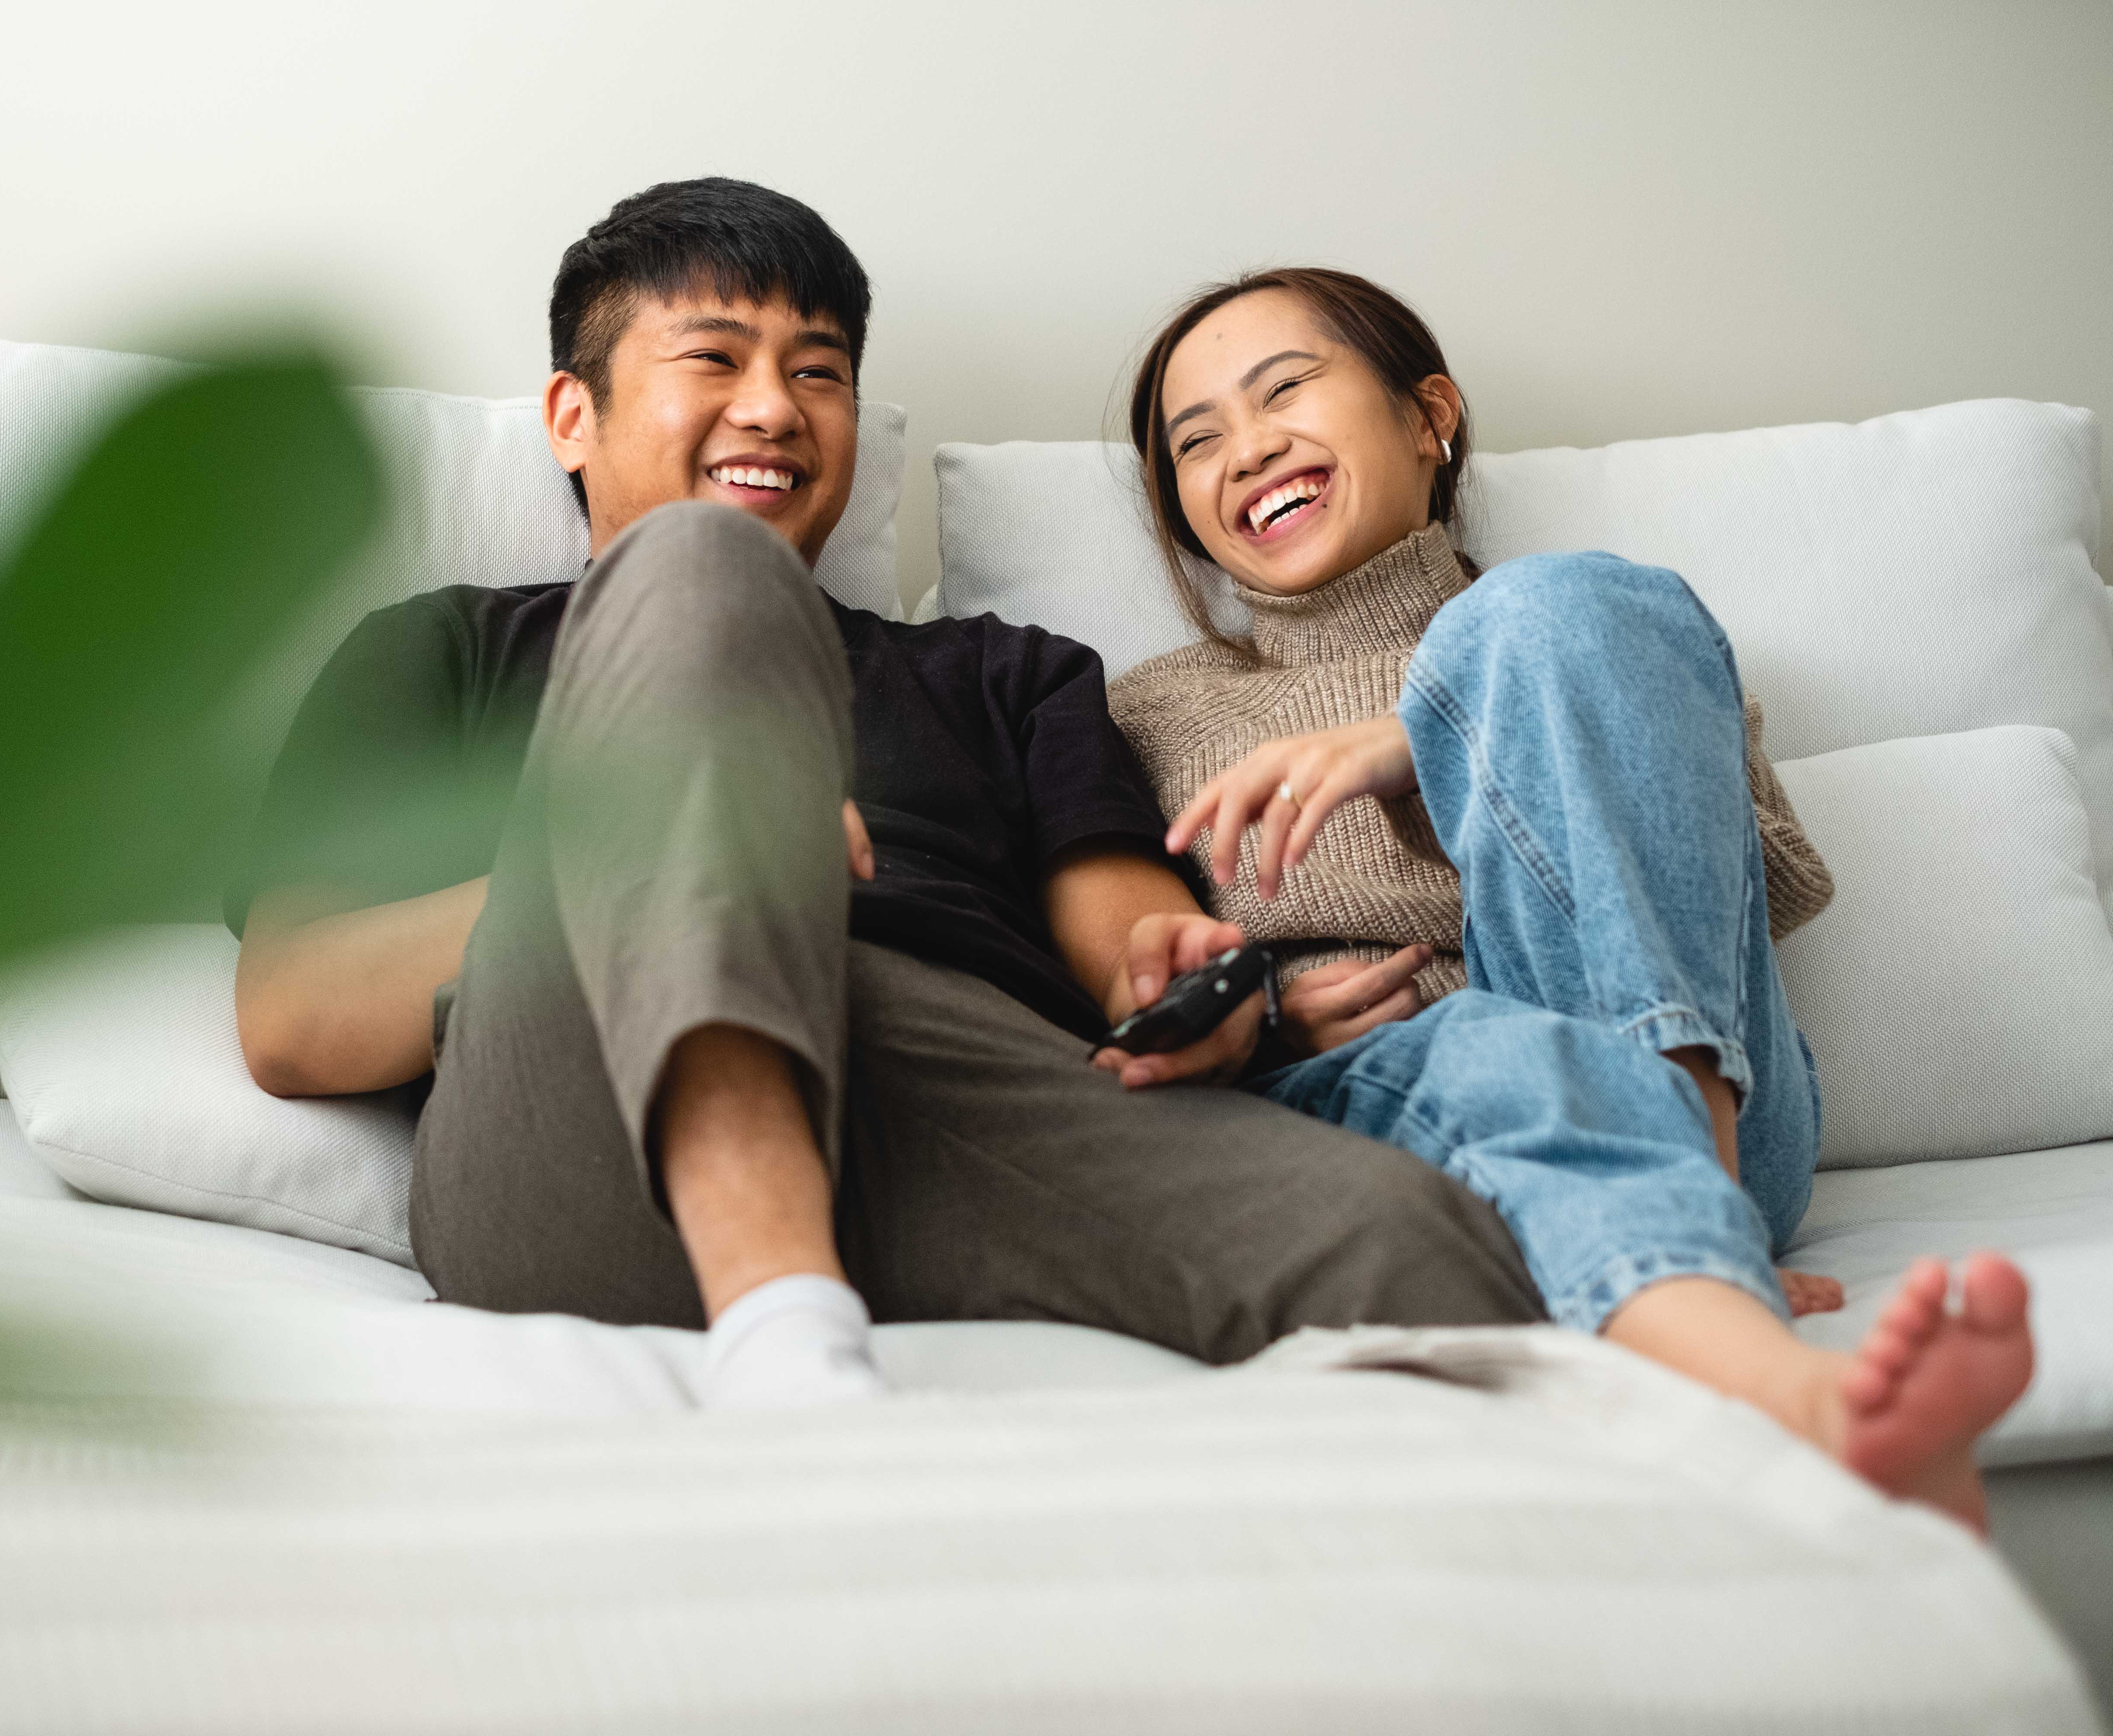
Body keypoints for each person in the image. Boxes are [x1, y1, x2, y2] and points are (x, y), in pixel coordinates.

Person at [230, 180, 1548, 1414]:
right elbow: (294, 1019)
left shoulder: (1005, 672)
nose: (774, 408)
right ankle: (785, 1327)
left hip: (960, 1096)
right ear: (573, 415)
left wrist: (1195, 989)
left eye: (820, 373)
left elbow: (1126, 937)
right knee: (700, 571)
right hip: (588, 1122)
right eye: (714, 358)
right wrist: (642, 844)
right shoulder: (445, 649)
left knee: (1414, 1241)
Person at [1105, 265, 2033, 1529]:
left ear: (1430, 418)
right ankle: (1767, 1360)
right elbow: (1131, 981)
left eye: (1284, 393)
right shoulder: (1154, 711)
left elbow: (1745, 878)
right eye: (1195, 442)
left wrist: (1420, 739)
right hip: (1398, 1120)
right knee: (1498, 1051)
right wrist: (1265, 1019)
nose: (1245, 449)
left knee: (1555, 606)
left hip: (1701, 1102)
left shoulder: (1591, 630)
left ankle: (1685, 1199)